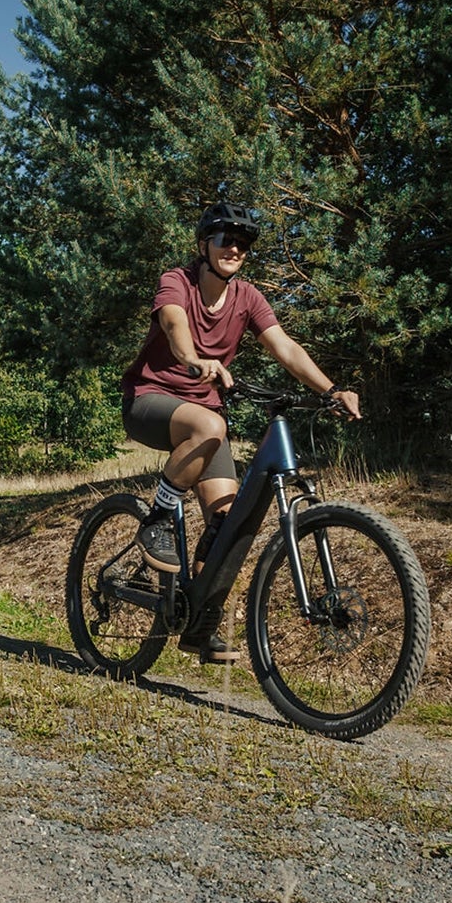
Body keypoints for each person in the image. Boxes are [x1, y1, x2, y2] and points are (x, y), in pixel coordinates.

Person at [120, 201, 362, 660]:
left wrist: (332, 390)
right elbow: (173, 323)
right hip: (150, 400)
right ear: (203, 245)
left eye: (243, 243)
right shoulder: (178, 281)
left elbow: (284, 347)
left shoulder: (247, 297)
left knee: (228, 522)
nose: (234, 248)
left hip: (205, 422)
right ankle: (156, 518)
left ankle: (198, 623)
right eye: (224, 239)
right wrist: (193, 360)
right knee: (211, 423)